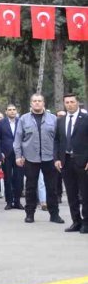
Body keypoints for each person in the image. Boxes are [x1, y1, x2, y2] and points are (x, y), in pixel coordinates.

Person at [14, 93, 63, 225]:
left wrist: (58, 157)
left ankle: (54, 214)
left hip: (49, 158)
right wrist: (18, 156)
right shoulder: (24, 119)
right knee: (30, 187)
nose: (37, 103)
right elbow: (18, 139)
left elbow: (58, 140)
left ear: (43, 103)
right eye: (34, 101)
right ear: (31, 103)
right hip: (30, 158)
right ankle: (30, 214)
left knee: (51, 188)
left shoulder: (53, 119)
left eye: (39, 101)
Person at [55, 94, 87, 233]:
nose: (69, 104)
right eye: (67, 102)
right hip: (66, 161)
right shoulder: (61, 121)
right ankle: (76, 221)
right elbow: (57, 140)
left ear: (77, 103)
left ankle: (86, 222)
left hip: (82, 161)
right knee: (71, 193)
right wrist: (56, 158)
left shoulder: (85, 119)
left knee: (85, 194)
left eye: (72, 102)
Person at [0, 104, 23, 210]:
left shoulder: (21, 121)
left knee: (19, 179)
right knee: (7, 179)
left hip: (19, 154)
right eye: (9, 110)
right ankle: (9, 202)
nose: (12, 111)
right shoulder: (0, 123)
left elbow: (25, 138)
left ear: (16, 111)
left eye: (14, 110)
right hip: (5, 155)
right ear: (6, 112)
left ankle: (17, 201)